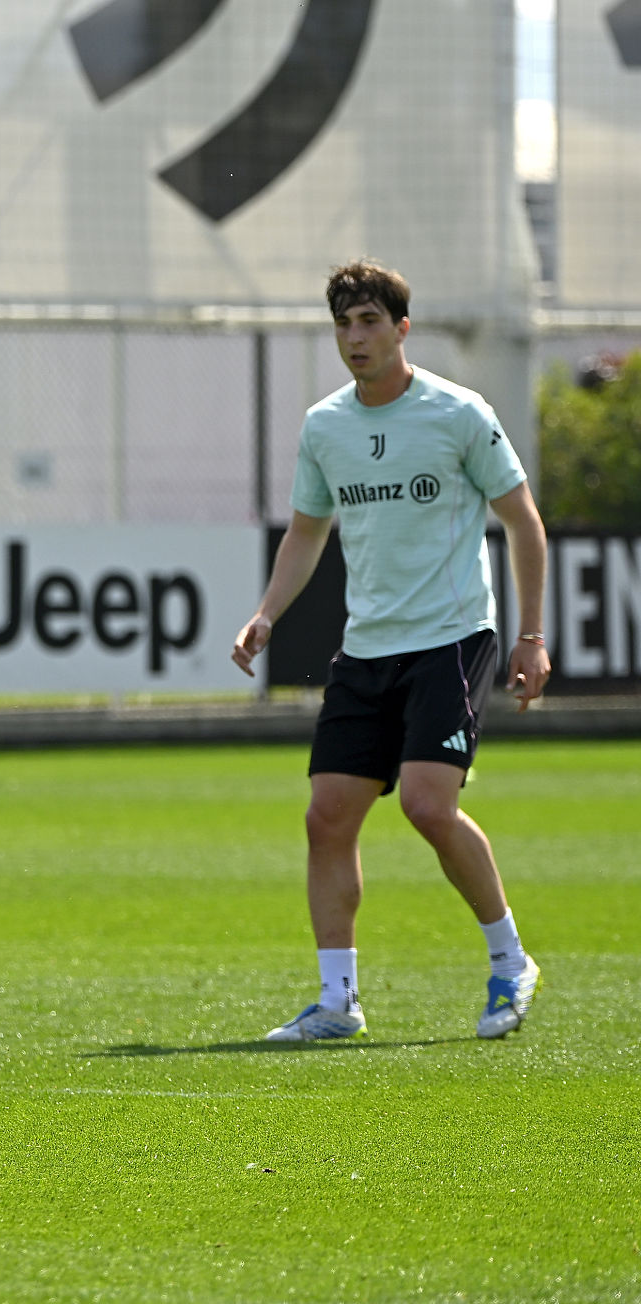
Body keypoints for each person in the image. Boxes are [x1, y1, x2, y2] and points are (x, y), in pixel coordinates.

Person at [232, 259, 550, 1044]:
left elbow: (524, 522)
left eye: (370, 321)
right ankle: (338, 1000)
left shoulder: (459, 412)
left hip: (451, 637)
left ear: (401, 328)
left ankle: (510, 960)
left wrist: (532, 635)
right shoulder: (325, 426)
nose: (355, 338)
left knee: (426, 804)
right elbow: (307, 533)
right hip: (367, 648)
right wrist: (267, 612)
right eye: (343, 324)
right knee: (326, 815)